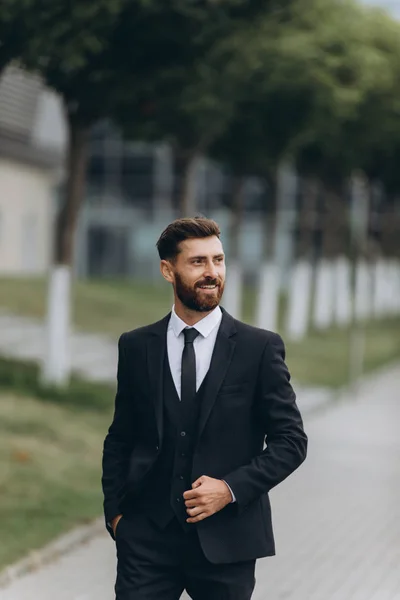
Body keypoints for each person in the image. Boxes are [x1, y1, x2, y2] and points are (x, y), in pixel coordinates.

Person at [102, 216, 307, 600]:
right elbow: (121, 435)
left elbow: (291, 442)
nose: (212, 272)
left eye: (218, 260)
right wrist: (116, 516)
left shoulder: (258, 348)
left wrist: (229, 489)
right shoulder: (136, 346)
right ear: (168, 270)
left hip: (228, 542)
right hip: (146, 538)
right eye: (198, 262)